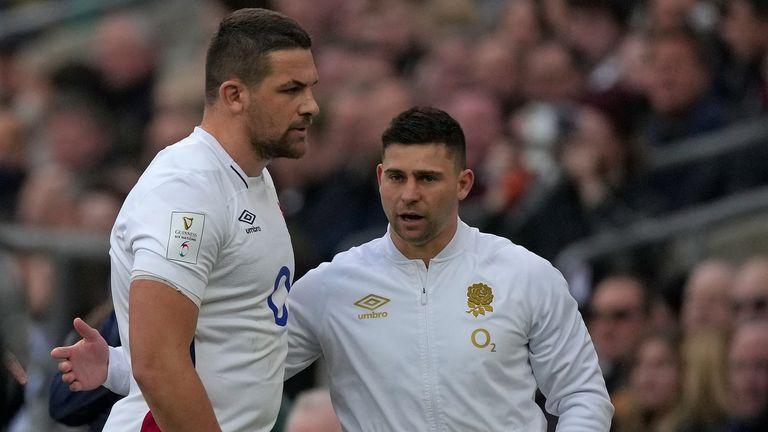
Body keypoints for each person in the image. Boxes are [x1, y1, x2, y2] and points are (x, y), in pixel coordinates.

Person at [52, 107, 611, 430]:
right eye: (397, 177)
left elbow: (584, 396)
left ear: (463, 184)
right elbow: (238, 367)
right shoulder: (333, 287)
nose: (409, 194)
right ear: (378, 178)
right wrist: (118, 367)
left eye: (428, 178)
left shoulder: (527, 275)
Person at [51, 7, 319, 432]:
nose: (311, 106)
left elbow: (233, 341)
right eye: (291, 89)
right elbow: (158, 366)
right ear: (234, 96)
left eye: (310, 87)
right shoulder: (188, 191)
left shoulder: (254, 179)